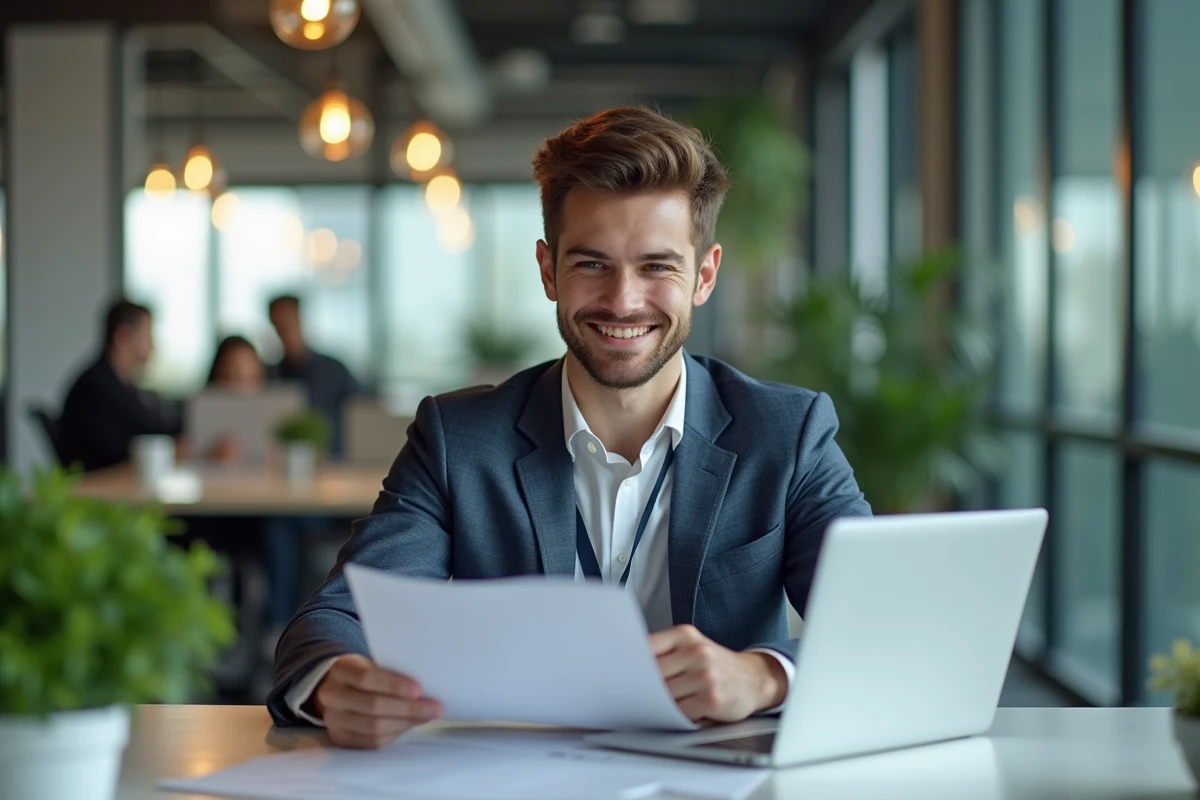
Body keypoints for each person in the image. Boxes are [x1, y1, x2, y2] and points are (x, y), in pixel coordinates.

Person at [268, 106, 872, 747]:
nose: (623, 300)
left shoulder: (787, 433)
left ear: (705, 275)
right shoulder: (458, 439)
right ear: (548, 269)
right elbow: (336, 616)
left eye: (657, 266)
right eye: (591, 264)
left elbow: (878, 621)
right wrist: (338, 682)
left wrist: (765, 676)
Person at [59, 299, 178, 472]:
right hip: (103, 489)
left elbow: (148, 426)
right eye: (147, 335)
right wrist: (174, 450)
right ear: (123, 336)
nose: (152, 345)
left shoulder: (122, 385)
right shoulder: (94, 389)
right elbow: (116, 452)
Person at [266, 295, 360, 456]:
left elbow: (362, 412)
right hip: (286, 462)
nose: (286, 332)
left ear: (301, 320)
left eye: (290, 323)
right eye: (279, 326)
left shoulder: (334, 370)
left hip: (335, 461)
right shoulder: (271, 374)